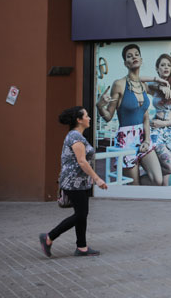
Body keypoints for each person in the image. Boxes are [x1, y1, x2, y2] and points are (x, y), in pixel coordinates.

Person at [39, 106, 108, 258]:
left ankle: (82, 247)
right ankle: (49, 237)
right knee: (81, 214)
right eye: (87, 115)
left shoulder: (77, 136)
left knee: (81, 214)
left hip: (80, 182)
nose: (89, 118)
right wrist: (97, 178)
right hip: (73, 182)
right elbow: (82, 161)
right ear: (79, 120)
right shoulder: (75, 137)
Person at [96, 44, 163, 186]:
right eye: (129, 56)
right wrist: (100, 106)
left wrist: (146, 140)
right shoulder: (119, 84)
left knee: (157, 180)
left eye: (136, 54)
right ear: (125, 63)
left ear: (141, 59)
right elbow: (108, 116)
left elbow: (145, 118)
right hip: (126, 139)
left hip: (142, 137)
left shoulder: (143, 86)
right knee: (134, 185)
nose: (134, 57)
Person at [143, 54, 171, 186]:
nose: (166, 67)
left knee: (165, 178)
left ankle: (145, 180)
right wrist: (159, 85)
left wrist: (165, 123)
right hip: (156, 132)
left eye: (168, 65)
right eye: (162, 65)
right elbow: (138, 81)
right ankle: (146, 179)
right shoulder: (154, 87)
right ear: (157, 69)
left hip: (170, 131)